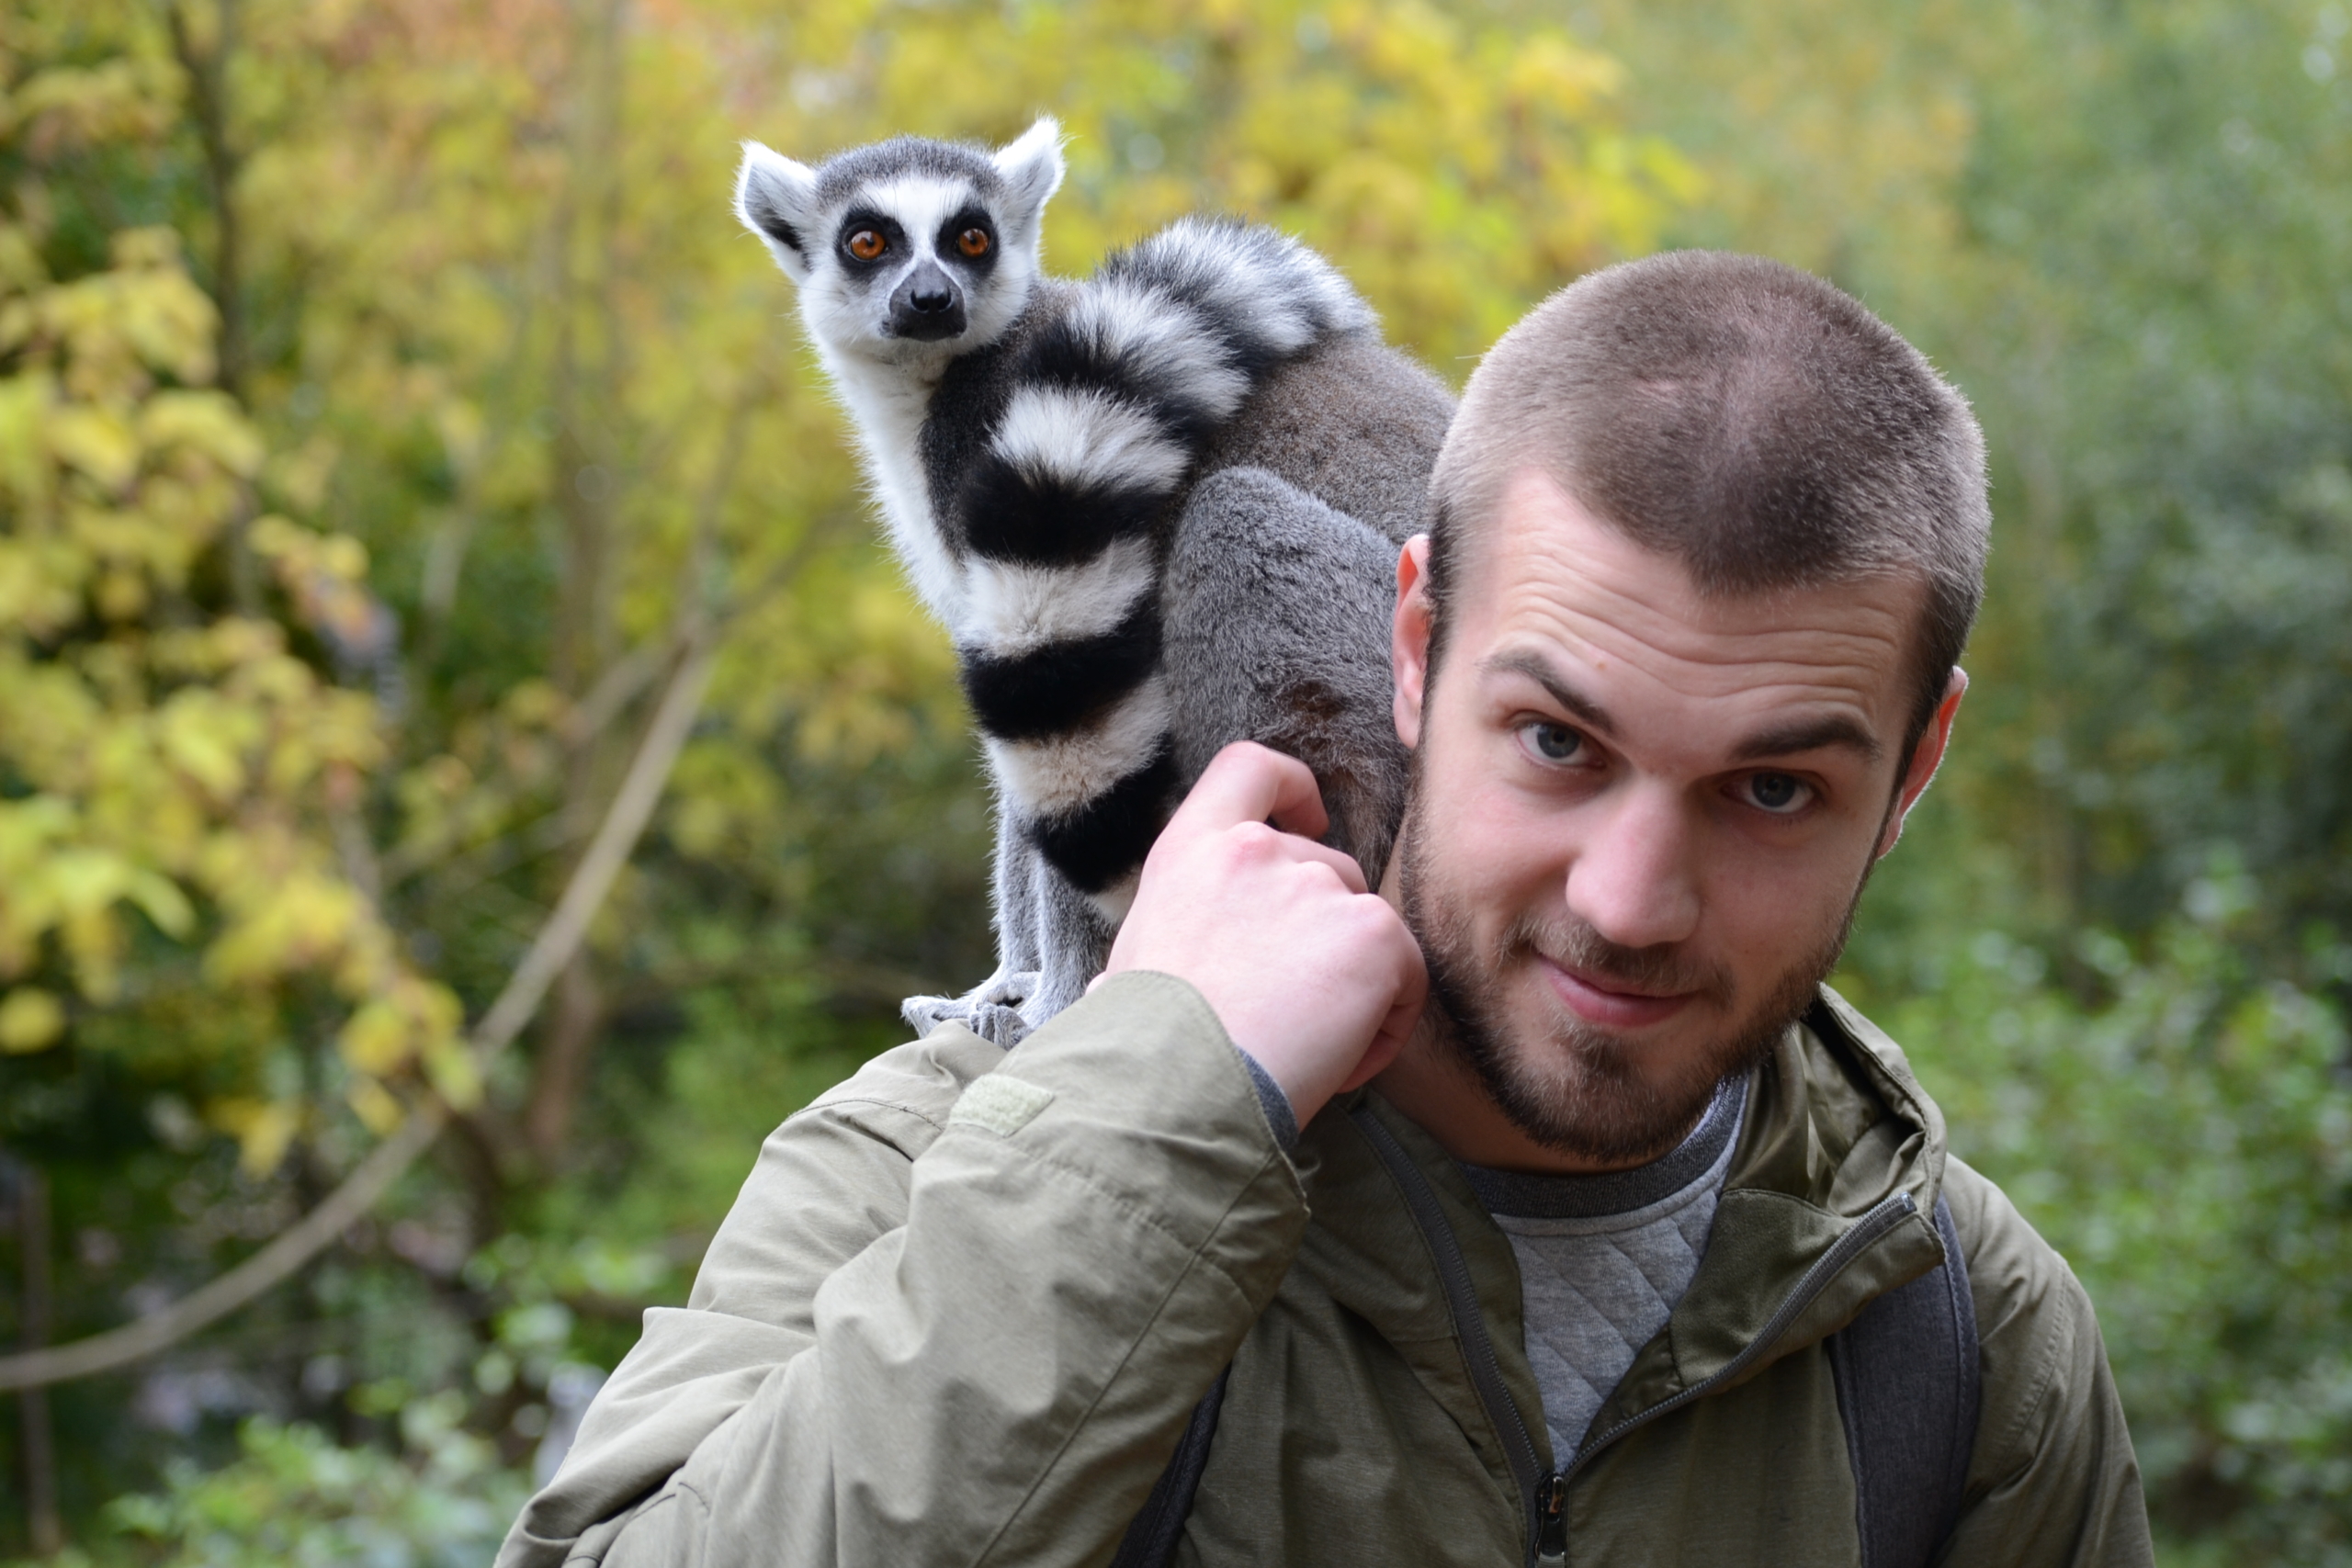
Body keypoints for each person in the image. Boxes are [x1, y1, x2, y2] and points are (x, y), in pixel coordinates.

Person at [497, 252, 2154, 1567]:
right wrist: (1159, 1112)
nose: (1633, 903)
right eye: (1558, 742)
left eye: (1773, 789)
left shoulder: (1957, 1334)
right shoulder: (947, 1169)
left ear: (1916, 767)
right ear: (1410, 648)